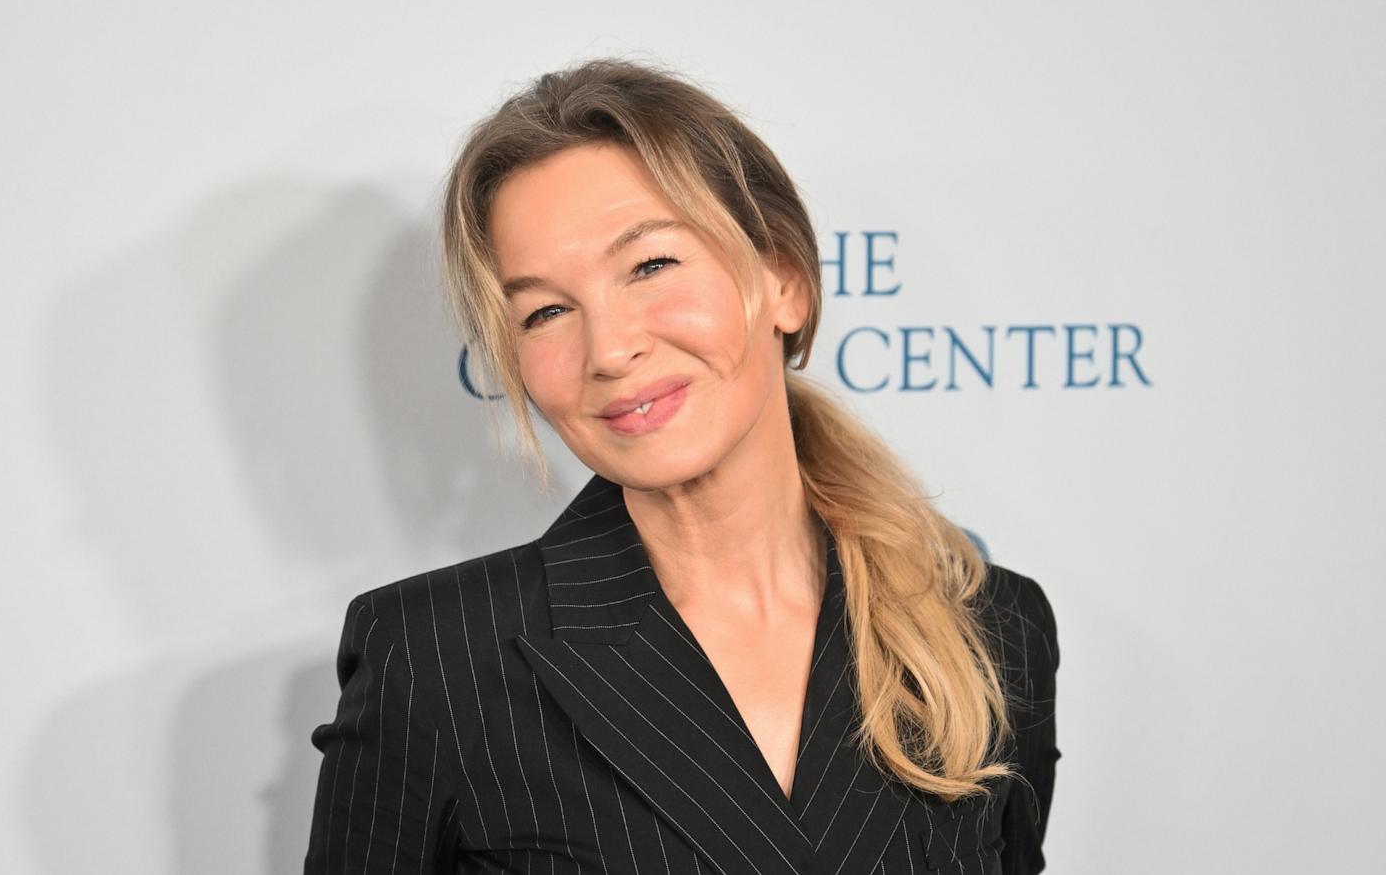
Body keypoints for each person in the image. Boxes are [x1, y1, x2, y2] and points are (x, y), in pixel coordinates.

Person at [303, 57, 1059, 875]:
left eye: (651, 265)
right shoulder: (435, 661)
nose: (610, 348)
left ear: (786, 282)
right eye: (547, 311)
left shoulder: (992, 629)